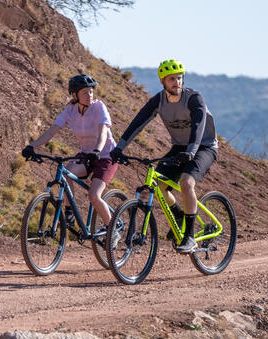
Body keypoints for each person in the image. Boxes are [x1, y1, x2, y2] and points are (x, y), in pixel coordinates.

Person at [110, 59, 218, 254]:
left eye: (179, 78)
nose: (176, 82)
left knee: (186, 183)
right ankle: (178, 215)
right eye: (171, 79)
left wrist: (192, 151)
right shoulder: (158, 101)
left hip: (203, 146)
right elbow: (138, 123)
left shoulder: (194, 98)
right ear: (163, 82)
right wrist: (120, 148)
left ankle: (190, 236)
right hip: (179, 147)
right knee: (158, 184)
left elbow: (198, 126)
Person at [22, 74, 120, 237]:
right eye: (85, 93)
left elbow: (103, 131)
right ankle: (69, 213)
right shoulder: (70, 110)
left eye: (91, 92)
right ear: (75, 96)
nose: (89, 95)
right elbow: (52, 131)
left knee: (94, 196)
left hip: (106, 155)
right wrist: (31, 146)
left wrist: (97, 150)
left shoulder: (99, 107)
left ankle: (113, 231)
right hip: (87, 155)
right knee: (66, 173)